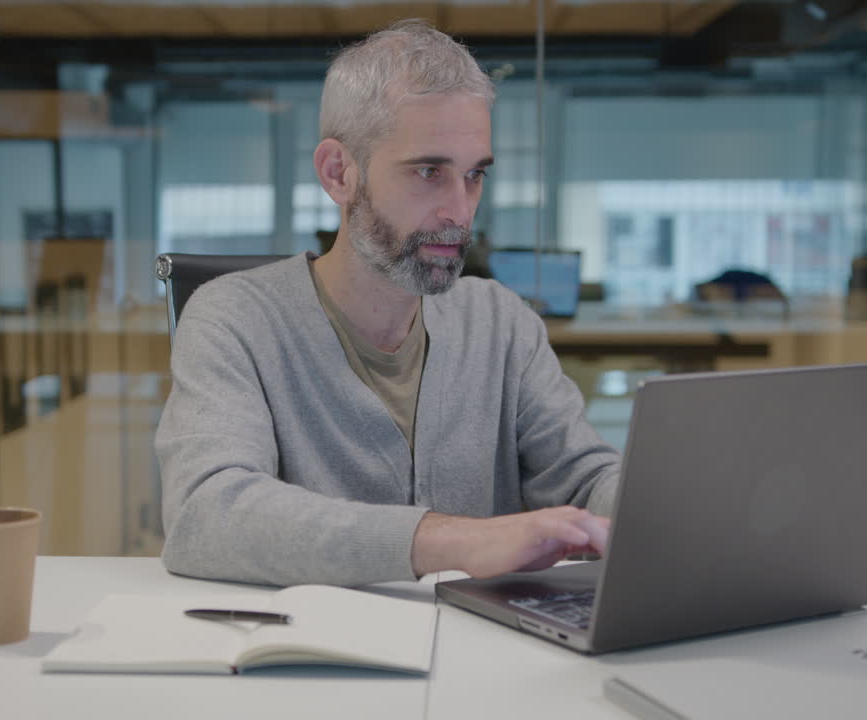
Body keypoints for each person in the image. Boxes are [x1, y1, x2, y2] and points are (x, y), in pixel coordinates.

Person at [156, 20, 621, 587]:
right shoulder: (233, 319)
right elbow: (206, 514)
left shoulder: (501, 323)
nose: (461, 211)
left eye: (474, 175)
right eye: (429, 171)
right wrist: (454, 542)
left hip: (487, 659)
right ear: (339, 173)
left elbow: (584, 479)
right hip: (315, 665)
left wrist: (662, 509)